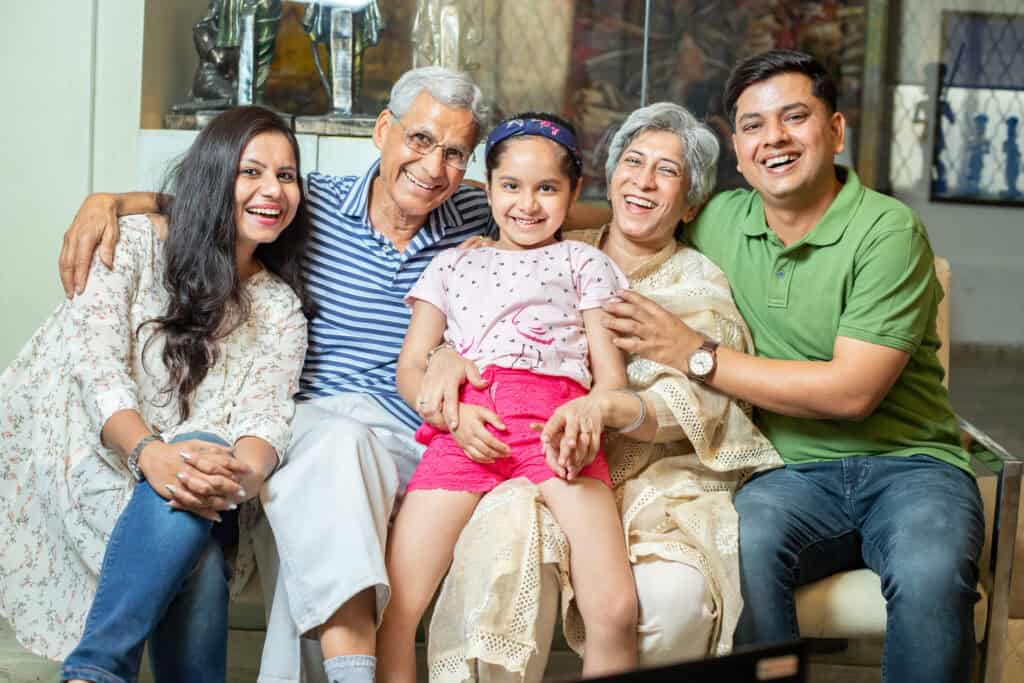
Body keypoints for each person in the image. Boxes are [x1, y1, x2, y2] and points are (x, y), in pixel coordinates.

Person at [57, 66, 495, 683]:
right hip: (313, 425)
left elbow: (559, 199)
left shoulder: (479, 213)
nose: (434, 166)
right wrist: (109, 201)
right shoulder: (309, 200)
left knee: (319, 499)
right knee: (332, 454)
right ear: (382, 131)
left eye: (456, 153)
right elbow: (214, 201)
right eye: (421, 140)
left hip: (405, 434)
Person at [604, 50, 983, 683]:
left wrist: (695, 356)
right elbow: (637, 215)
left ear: (834, 130)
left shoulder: (888, 232)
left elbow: (850, 394)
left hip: (910, 465)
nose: (773, 138)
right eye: (752, 125)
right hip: (787, 472)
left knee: (930, 571)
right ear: (737, 145)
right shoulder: (723, 219)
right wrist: (502, 232)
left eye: (794, 117)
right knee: (746, 541)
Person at [420, 102, 782, 682]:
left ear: (690, 203)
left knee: (668, 604)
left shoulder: (700, 283)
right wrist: (441, 356)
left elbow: (707, 405)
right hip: (541, 465)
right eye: (633, 162)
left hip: (657, 487)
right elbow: (471, 326)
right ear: (607, 181)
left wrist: (613, 406)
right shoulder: (551, 249)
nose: (642, 180)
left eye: (666, 171)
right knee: (506, 537)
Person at [0, 105, 310, 683]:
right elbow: (98, 379)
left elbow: (266, 418)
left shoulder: (279, 307)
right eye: (252, 172)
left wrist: (235, 476)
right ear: (216, 173)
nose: (273, 190)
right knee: (199, 536)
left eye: (287, 176)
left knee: (196, 476)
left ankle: (95, 671)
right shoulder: (134, 245)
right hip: (99, 454)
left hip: (209, 483)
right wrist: (152, 454)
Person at [379, 114, 638, 681]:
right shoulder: (451, 264)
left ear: (573, 193)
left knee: (615, 610)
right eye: (511, 186)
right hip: (467, 425)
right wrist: (450, 412)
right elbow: (411, 368)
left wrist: (586, 412)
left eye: (547, 188)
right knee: (394, 608)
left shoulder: (584, 262)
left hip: (556, 430)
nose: (528, 204)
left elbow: (612, 381)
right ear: (487, 188)